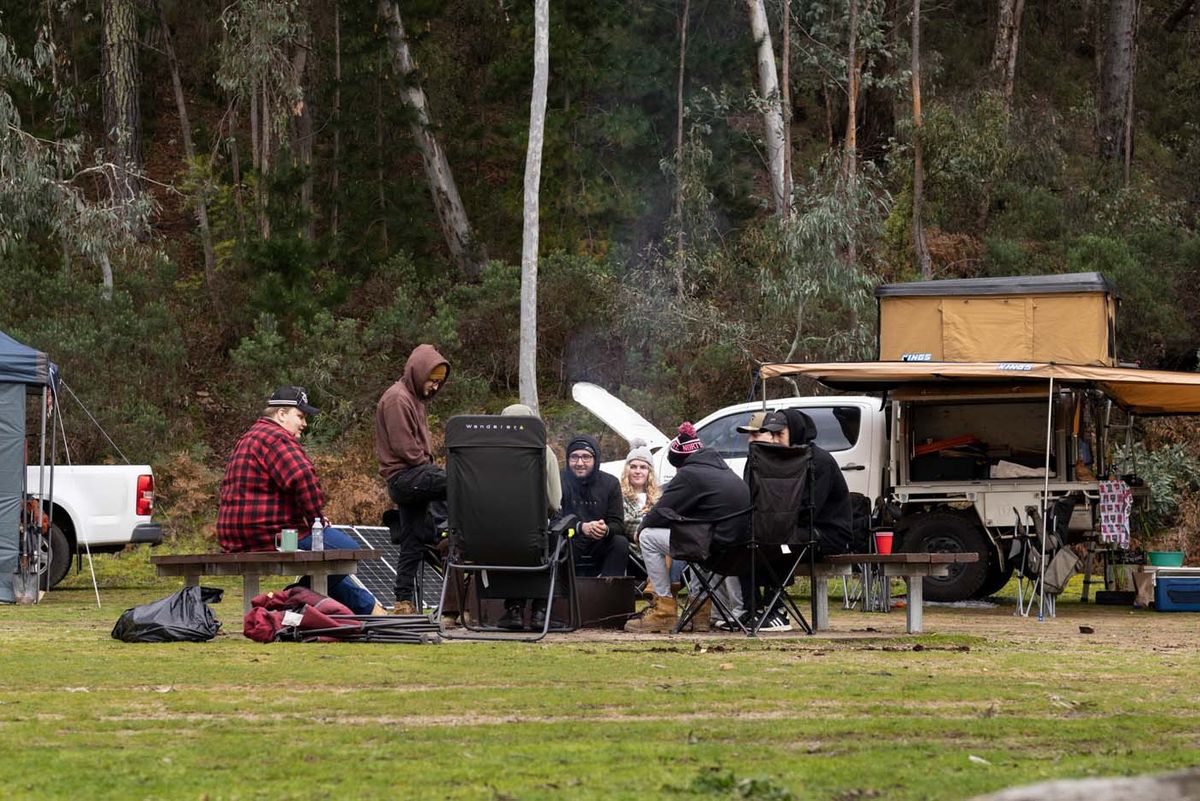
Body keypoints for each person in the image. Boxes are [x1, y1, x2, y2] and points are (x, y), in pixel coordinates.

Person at [217, 386, 383, 615]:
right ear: (281, 414)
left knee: (327, 570)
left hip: (237, 537)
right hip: (271, 534)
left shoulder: (250, 436)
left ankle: (373, 611)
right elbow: (302, 477)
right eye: (300, 416)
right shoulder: (276, 438)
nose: (304, 424)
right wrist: (317, 519)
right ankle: (287, 601)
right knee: (346, 550)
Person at [625, 422, 750, 633]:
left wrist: (641, 527)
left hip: (715, 550)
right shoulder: (723, 470)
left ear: (680, 463)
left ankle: (664, 610)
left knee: (647, 536)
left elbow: (661, 511)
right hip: (738, 549)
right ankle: (699, 613)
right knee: (693, 536)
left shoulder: (690, 473)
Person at [376, 344, 451, 615]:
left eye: (438, 383)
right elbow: (405, 448)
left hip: (411, 477)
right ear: (418, 372)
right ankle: (452, 534)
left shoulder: (413, 398)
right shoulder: (398, 399)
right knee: (461, 484)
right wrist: (433, 471)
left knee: (412, 540)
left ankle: (403, 601)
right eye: (432, 381)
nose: (434, 387)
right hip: (406, 477)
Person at [497, 403, 564, 631]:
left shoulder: (482, 450)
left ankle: (513, 610)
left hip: (486, 539)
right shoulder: (544, 452)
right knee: (554, 542)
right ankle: (539, 611)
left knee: (511, 545)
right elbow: (554, 502)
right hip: (532, 535)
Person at [559, 434, 628, 577]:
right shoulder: (560, 481)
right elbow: (554, 520)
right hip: (571, 539)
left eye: (586, 457)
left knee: (619, 542)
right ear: (567, 459)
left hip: (599, 542)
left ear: (595, 459)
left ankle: (610, 591)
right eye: (574, 457)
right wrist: (580, 527)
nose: (579, 463)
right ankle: (561, 593)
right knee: (557, 541)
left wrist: (605, 529)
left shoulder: (610, 483)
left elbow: (618, 524)